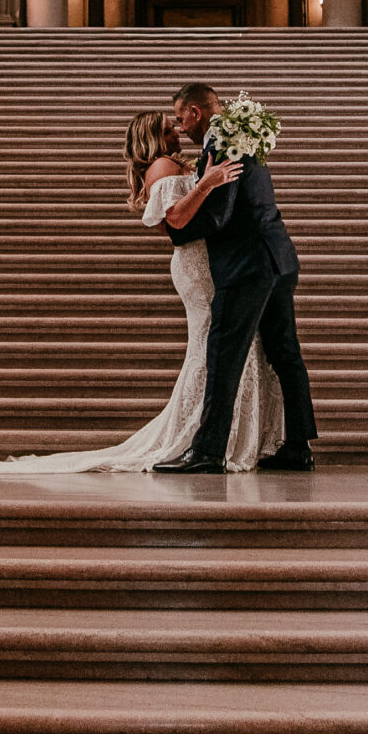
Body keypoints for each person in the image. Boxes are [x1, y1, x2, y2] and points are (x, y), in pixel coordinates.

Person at [0, 111, 283, 477]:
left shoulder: (172, 164)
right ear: (153, 135)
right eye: (168, 127)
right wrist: (205, 185)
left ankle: (219, 437)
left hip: (210, 262)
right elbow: (175, 220)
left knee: (220, 345)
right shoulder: (160, 167)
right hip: (196, 266)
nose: (176, 130)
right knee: (211, 346)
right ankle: (199, 438)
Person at [152, 80, 317, 476]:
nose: (179, 129)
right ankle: (298, 446)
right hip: (277, 256)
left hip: (246, 267)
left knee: (223, 356)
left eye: (180, 119)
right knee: (286, 354)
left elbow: (220, 215)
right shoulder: (243, 137)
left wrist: (174, 231)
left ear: (196, 112)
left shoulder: (220, 143)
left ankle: (208, 451)